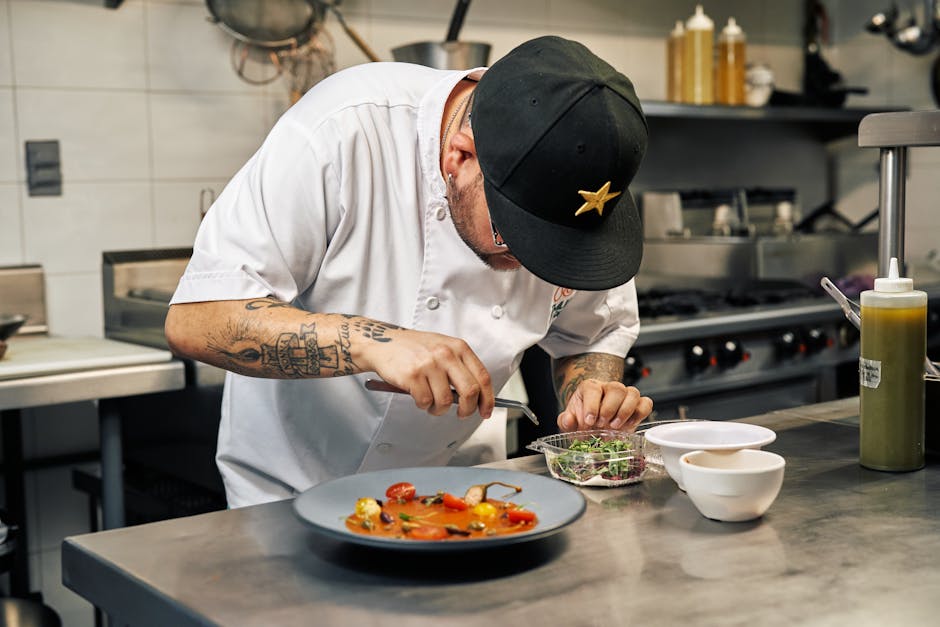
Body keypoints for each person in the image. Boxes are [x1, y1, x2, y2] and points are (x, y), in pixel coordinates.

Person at [165, 35, 653, 507]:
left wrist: (590, 395)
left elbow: (591, 333)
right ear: (458, 156)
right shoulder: (341, 131)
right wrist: (371, 340)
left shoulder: (580, 183)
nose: (531, 265)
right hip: (292, 495)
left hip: (466, 488)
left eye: (557, 250)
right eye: (515, 236)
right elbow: (196, 319)